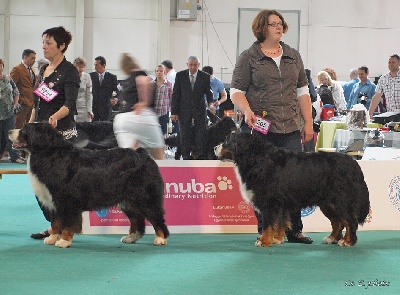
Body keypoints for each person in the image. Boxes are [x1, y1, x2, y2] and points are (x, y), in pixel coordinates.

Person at [229, 9, 313, 244]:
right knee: (262, 185)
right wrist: (246, 110)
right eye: (273, 24)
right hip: (261, 131)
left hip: (290, 129)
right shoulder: (249, 56)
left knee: (294, 181)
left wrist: (308, 122)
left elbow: (303, 92)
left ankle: (294, 229)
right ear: (261, 28)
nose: (278, 27)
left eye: (280, 23)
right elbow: (236, 91)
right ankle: (266, 230)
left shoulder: (293, 55)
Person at [29, 26, 80, 239]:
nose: (44, 47)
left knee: (60, 188)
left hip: (62, 137)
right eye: (43, 42)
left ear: (62, 46)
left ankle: (62, 228)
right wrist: (29, 125)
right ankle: (54, 225)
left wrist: (55, 118)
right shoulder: (43, 70)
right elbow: (38, 102)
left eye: (49, 43)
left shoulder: (70, 71)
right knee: (39, 186)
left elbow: (70, 104)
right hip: (40, 137)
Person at [113, 53, 165, 160]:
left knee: (130, 158)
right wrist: (144, 102)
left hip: (122, 120)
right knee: (159, 156)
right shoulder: (141, 74)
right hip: (142, 117)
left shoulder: (127, 81)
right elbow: (143, 81)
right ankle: (164, 175)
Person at [170, 56, 214, 160]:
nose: (193, 67)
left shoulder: (205, 76)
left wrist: (211, 104)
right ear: (187, 65)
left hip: (200, 109)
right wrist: (174, 112)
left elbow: (209, 92)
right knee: (184, 133)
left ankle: (199, 155)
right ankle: (185, 156)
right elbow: (176, 94)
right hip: (184, 109)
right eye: (191, 65)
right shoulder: (180, 75)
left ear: (198, 65)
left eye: (195, 65)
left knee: (200, 133)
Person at [10, 49, 36, 129]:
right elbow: (11, 87)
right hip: (22, 104)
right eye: (32, 58)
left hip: (31, 103)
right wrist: (18, 101)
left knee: (28, 128)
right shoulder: (16, 70)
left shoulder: (32, 70)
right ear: (25, 57)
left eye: (35, 58)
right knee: (18, 127)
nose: (34, 61)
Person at [0, 58, 20, 162]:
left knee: (11, 135)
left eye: (0, 66)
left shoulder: (8, 79)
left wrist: (15, 104)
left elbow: (16, 92)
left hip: (9, 113)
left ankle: (15, 157)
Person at [369, 54, 400, 118]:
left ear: (399, 63)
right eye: (389, 62)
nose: (391, 64)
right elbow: (376, 97)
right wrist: (370, 114)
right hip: (390, 115)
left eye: (393, 62)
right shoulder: (383, 78)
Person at [90, 56, 118, 121]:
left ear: (103, 65)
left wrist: (116, 98)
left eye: (97, 65)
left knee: (105, 127)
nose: (95, 67)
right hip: (94, 107)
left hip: (106, 107)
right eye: (94, 65)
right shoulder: (90, 76)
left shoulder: (112, 77)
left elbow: (116, 90)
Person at [154, 64, 173, 135]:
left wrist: (171, 111)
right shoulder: (152, 84)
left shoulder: (168, 84)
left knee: (163, 133)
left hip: (164, 113)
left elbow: (171, 98)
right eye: (157, 71)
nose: (159, 72)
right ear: (155, 72)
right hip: (154, 112)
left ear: (164, 72)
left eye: (161, 71)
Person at [73, 57, 93, 122]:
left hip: (84, 107)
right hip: (73, 106)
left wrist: (89, 110)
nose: (80, 69)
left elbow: (89, 94)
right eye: (78, 67)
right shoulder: (70, 76)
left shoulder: (87, 76)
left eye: (82, 67)